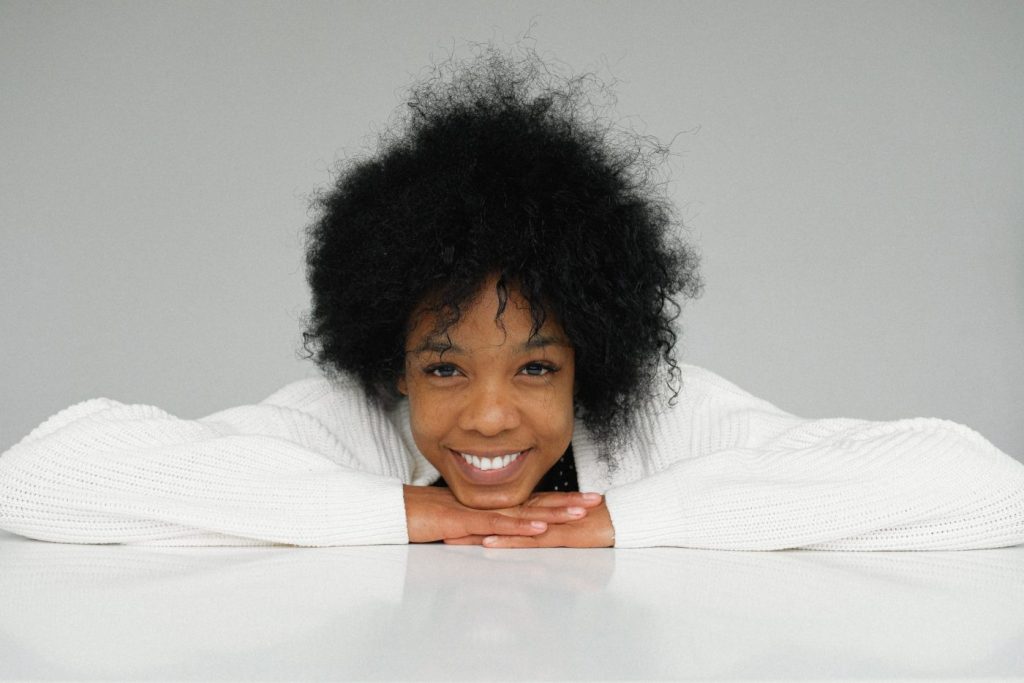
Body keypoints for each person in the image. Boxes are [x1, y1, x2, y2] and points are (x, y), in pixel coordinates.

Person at [1, 49, 1022, 550]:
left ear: (595, 360)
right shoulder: (351, 423)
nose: (488, 414)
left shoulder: (670, 420)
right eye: (443, 366)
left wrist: (623, 519)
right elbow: (38, 478)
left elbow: (986, 489)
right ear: (389, 361)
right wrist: (407, 510)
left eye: (537, 365)